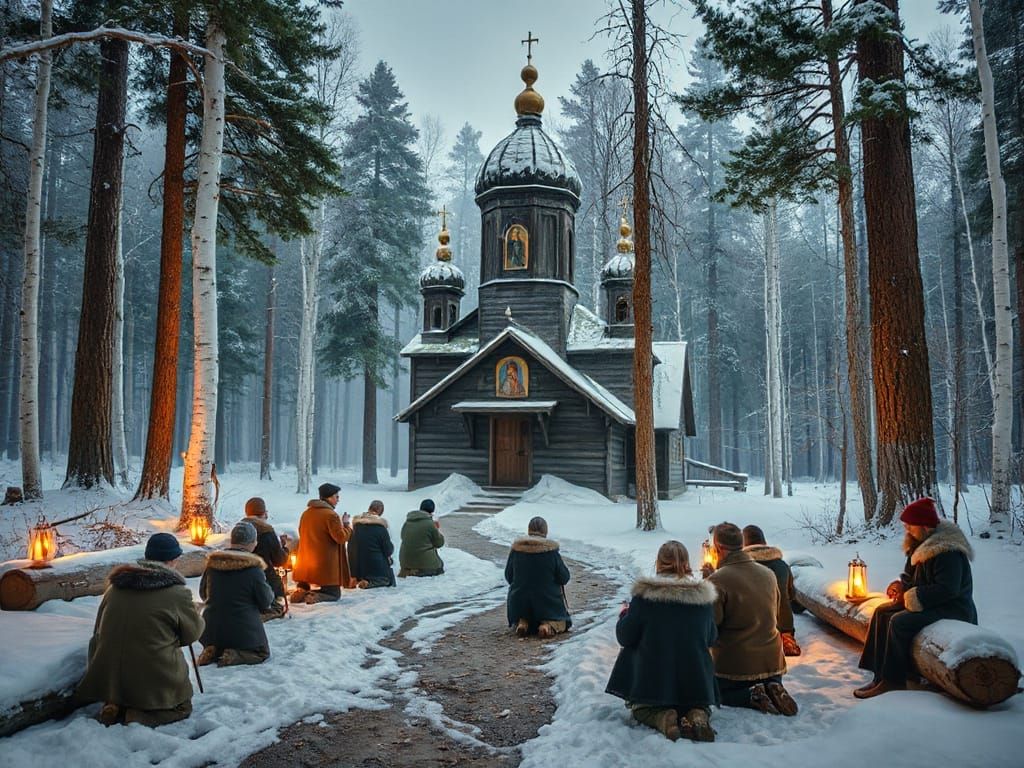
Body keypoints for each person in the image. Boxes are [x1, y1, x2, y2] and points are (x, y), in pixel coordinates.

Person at [76, 532, 204, 727]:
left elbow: (98, 629)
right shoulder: (177, 593)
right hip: (151, 678)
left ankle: (115, 705)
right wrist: (193, 613)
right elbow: (191, 635)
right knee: (182, 707)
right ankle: (137, 716)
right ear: (173, 560)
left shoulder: (115, 588)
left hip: (110, 679)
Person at [855, 497, 977, 699]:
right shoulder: (917, 545)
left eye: (910, 525)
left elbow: (948, 589)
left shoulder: (948, 551)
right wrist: (900, 586)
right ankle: (880, 674)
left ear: (925, 526)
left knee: (900, 622)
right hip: (929, 603)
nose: (907, 529)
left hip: (953, 608)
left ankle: (893, 681)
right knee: (881, 612)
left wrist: (911, 596)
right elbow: (910, 577)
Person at [606, 541, 718, 743]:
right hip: (695, 680)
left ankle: (661, 717)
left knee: (642, 709)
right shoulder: (703, 598)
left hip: (653, 681)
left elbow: (625, 637)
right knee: (697, 702)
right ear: (686, 563)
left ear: (658, 562)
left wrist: (625, 614)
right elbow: (711, 638)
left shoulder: (645, 597)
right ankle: (698, 714)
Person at [706, 522, 797, 716]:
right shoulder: (769, 575)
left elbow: (710, 629)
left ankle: (751, 695)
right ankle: (772, 686)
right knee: (768, 677)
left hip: (735, 668)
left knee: (713, 693)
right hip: (772, 664)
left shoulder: (718, 580)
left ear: (719, 548)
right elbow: (777, 614)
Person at [197, 521, 274, 666]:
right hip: (243, 631)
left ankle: (213, 650)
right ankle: (233, 655)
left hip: (211, 630)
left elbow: (203, 593)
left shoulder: (213, 565)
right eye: (255, 541)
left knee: (217, 639)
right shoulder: (253, 569)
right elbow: (266, 601)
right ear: (251, 542)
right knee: (261, 653)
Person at [505, 516, 572, 638]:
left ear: (528, 530)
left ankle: (523, 623)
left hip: (519, 604)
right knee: (561, 622)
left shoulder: (516, 550)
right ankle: (546, 626)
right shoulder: (551, 552)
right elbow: (564, 577)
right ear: (545, 531)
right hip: (548, 605)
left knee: (524, 615)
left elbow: (508, 576)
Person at [742, 524, 801, 656]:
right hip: (781, 625)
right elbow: (791, 595)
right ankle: (787, 638)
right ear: (764, 542)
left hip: (750, 627)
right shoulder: (782, 565)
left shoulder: (741, 567)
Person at [291, 482, 354, 603]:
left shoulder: (306, 513)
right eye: (337, 496)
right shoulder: (331, 515)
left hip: (306, 562)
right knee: (334, 594)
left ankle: (301, 592)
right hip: (326, 565)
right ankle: (314, 596)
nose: (338, 499)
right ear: (329, 497)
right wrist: (347, 525)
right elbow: (340, 537)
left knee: (305, 582)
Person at [243, 496, 291, 620]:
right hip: (265, 580)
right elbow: (279, 560)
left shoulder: (239, 530)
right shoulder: (267, 532)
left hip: (241, 580)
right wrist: (284, 549)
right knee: (278, 606)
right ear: (264, 513)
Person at [349, 500, 396, 588]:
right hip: (375, 567)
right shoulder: (380, 527)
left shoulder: (356, 525)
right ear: (380, 511)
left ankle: (360, 580)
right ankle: (370, 583)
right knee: (388, 580)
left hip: (358, 567)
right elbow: (388, 550)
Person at [399, 498, 445, 577]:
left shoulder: (408, 521)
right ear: (432, 512)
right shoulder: (430, 524)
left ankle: (410, 570)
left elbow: (402, 537)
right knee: (440, 566)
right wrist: (437, 529)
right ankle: (418, 570)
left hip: (404, 562)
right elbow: (439, 543)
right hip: (424, 563)